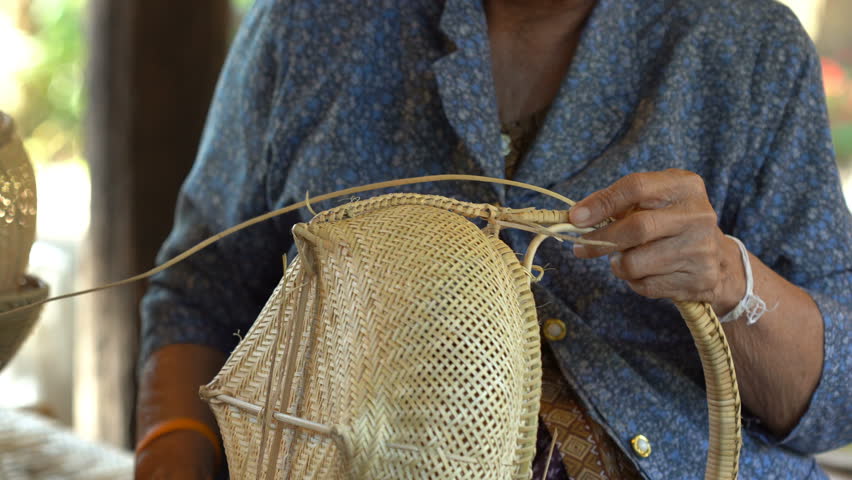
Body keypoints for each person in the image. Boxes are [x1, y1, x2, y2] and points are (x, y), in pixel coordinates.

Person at [135, 0, 852, 478]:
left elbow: (831, 403)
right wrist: (172, 451)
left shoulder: (743, 45)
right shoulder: (312, 27)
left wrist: (732, 282)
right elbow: (198, 294)